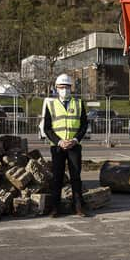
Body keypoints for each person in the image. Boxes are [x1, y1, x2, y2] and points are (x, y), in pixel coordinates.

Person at [43, 73, 89, 217]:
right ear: (56, 88)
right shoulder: (51, 104)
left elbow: (84, 125)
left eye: (67, 87)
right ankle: (55, 208)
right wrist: (59, 141)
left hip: (74, 146)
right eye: (61, 87)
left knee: (76, 177)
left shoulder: (79, 103)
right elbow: (47, 128)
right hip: (58, 147)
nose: (64, 90)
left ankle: (78, 207)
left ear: (71, 88)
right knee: (57, 177)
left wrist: (75, 140)